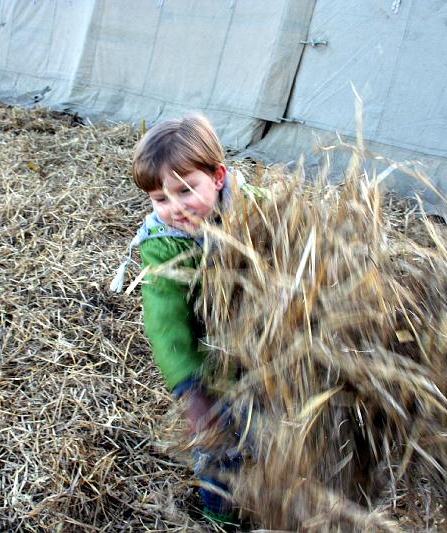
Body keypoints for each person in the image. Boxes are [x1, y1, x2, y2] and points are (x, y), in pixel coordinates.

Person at [112, 113, 260, 525]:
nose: (175, 208)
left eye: (185, 190)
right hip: (211, 364)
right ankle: (222, 519)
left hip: (270, 354)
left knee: (275, 438)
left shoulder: (260, 211)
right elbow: (165, 322)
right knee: (219, 449)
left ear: (218, 177)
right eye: (160, 199)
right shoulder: (164, 245)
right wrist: (191, 387)